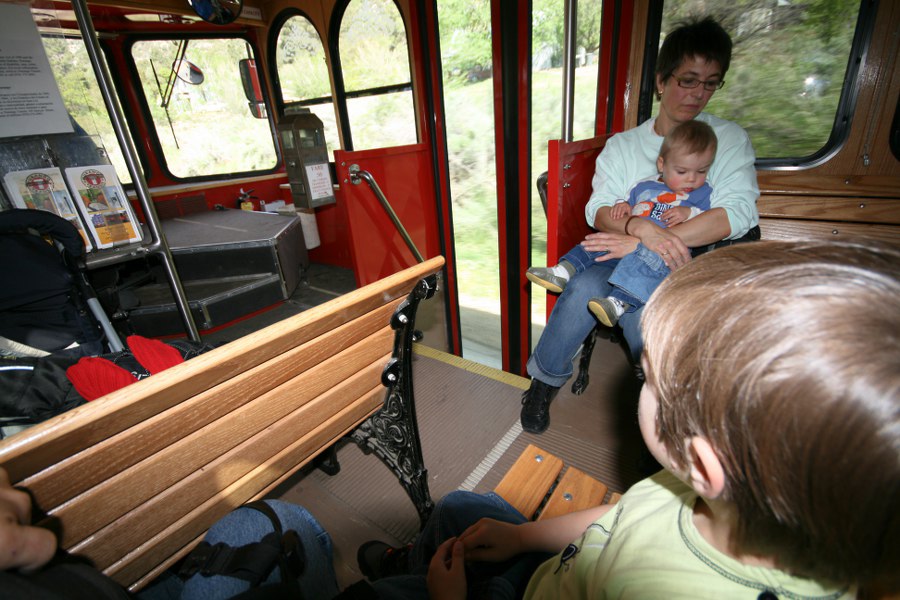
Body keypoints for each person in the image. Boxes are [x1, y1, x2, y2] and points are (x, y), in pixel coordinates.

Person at [354, 239, 900, 599]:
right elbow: (621, 520)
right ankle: (415, 564)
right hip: (564, 565)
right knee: (459, 510)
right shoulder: (703, 490)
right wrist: (525, 541)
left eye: (648, 376)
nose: (637, 379)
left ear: (702, 458)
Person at [521, 16, 760, 435]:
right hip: (623, 244)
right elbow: (597, 210)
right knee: (582, 286)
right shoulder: (624, 146)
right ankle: (544, 381)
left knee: (642, 309)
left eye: (710, 83)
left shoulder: (726, 139)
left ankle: (664, 410)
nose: (698, 93)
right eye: (688, 80)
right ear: (662, 81)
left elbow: (736, 215)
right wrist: (639, 229)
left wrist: (648, 245)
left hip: (688, 255)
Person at [526, 119, 717, 327]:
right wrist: (623, 206)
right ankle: (563, 270)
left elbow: (708, 217)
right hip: (627, 239)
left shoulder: (702, 191)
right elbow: (630, 202)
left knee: (645, 268)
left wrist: (689, 211)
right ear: (662, 164)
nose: (691, 179)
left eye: (701, 172)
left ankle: (618, 303)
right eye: (682, 171)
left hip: (660, 251)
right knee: (597, 241)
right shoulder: (644, 185)